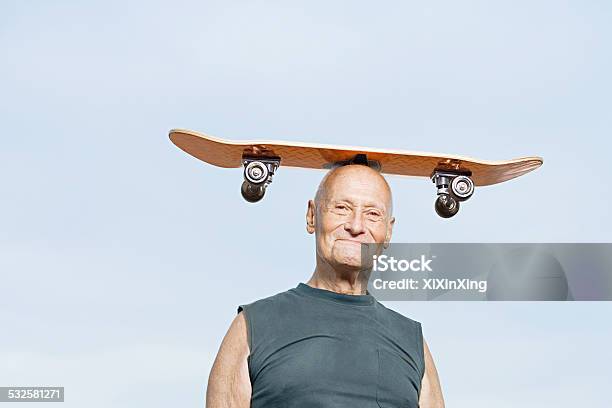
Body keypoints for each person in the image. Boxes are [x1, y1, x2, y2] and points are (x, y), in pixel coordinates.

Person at [206, 164, 445, 407]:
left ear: (389, 231)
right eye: (342, 208)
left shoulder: (411, 340)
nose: (356, 226)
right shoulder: (253, 325)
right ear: (312, 216)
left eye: (373, 214)